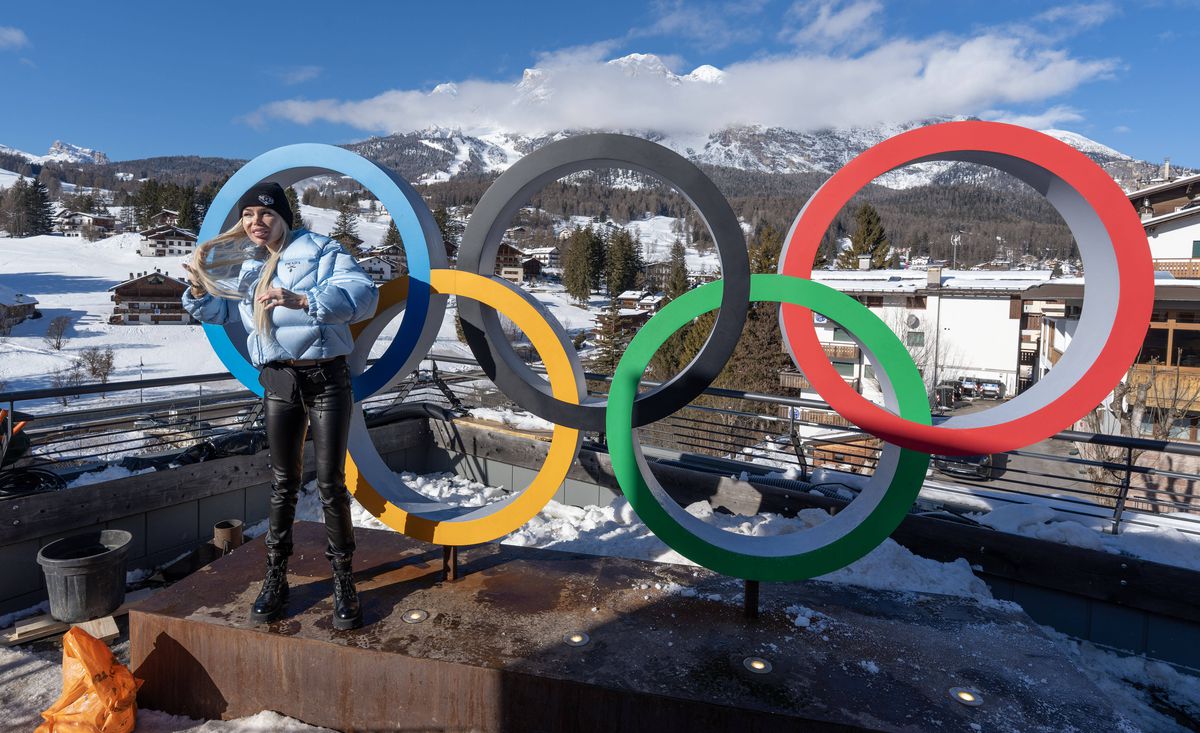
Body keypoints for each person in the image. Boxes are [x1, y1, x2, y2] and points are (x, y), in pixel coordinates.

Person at [181, 182, 378, 630]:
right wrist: (196, 292)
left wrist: (305, 299)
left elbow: (364, 294)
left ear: (284, 216)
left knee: (329, 482)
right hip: (277, 380)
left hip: (326, 377)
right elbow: (222, 313)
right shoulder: (250, 270)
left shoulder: (323, 249)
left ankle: (344, 580)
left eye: (265, 214)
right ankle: (275, 578)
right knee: (282, 482)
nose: (256, 222)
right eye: (248, 214)